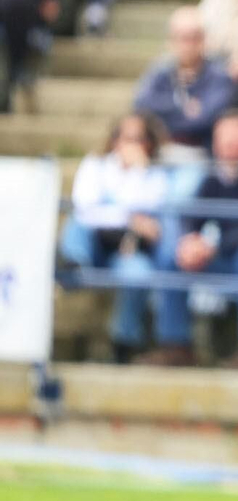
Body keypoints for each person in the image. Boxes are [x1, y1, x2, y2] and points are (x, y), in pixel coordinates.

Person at [152, 110, 238, 368]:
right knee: (173, 258)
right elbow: (194, 214)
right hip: (228, 253)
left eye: (235, 142)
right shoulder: (217, 172)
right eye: (223, 143)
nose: (229, 149)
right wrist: (191, 241)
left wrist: (213, 247)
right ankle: (175, 346)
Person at [59, 111, 169, 361]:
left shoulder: (155, 176)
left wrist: (138, 173)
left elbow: (151, 217)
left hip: (127, 250)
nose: (131, 145)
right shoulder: (95, 165)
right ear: (114, 140)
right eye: (125, 138)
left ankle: (124, 341)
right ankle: (73, 268)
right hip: (94, 244)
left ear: (149, 143)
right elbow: (85, 209)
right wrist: (128, 218)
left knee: (139, 274)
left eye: (138, 139)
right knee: (76, 227)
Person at [133, 6, 238, 155]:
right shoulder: (160, 71)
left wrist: (165, 118)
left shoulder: (219, 75)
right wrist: (182, 106)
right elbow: (141, 104)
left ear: (204, 39)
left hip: (204, 154)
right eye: (182, 38)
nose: (188, 45)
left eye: (194, 38)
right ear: (171, 40)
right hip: (160, 151)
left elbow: (205, 119)